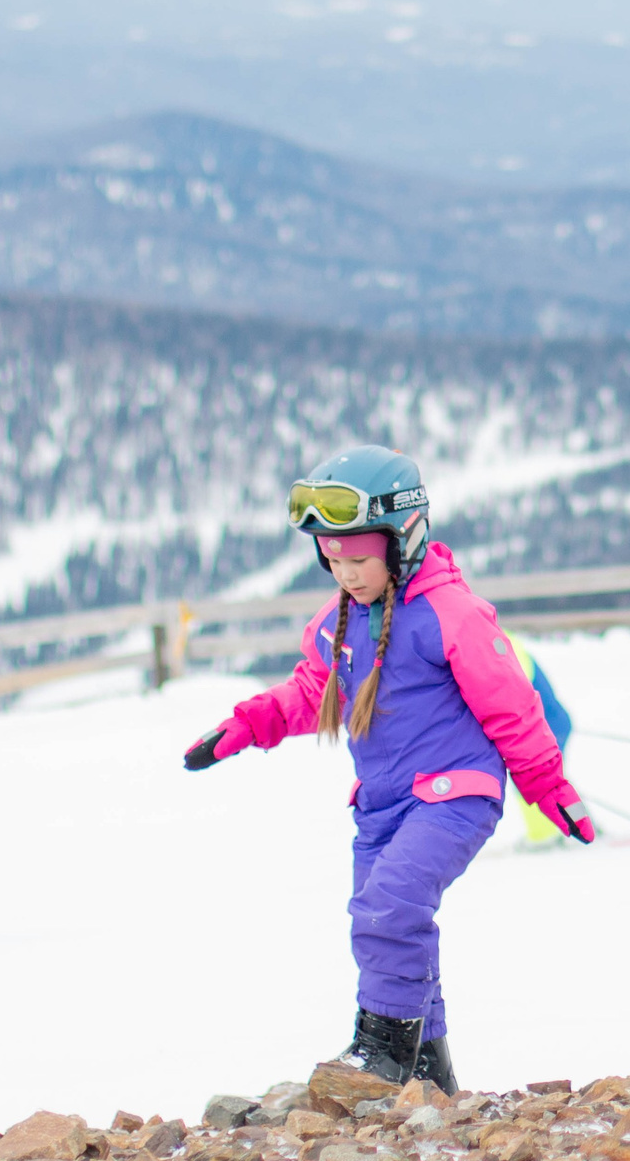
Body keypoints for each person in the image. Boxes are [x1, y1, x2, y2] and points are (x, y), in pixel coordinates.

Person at [180, 446, 595, 1090]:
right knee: (385, 922)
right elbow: (306, 694)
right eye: (332, 559)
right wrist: (245, 727)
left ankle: (379, 1055)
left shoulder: (450, 615)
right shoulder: (338, 623)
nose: (344, 573)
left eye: (358, 558)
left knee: (390, 907)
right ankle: (428, 1077)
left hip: (456, 796)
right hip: (381, 805)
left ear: (403, 539)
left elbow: (513, 706)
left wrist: (549, 789)